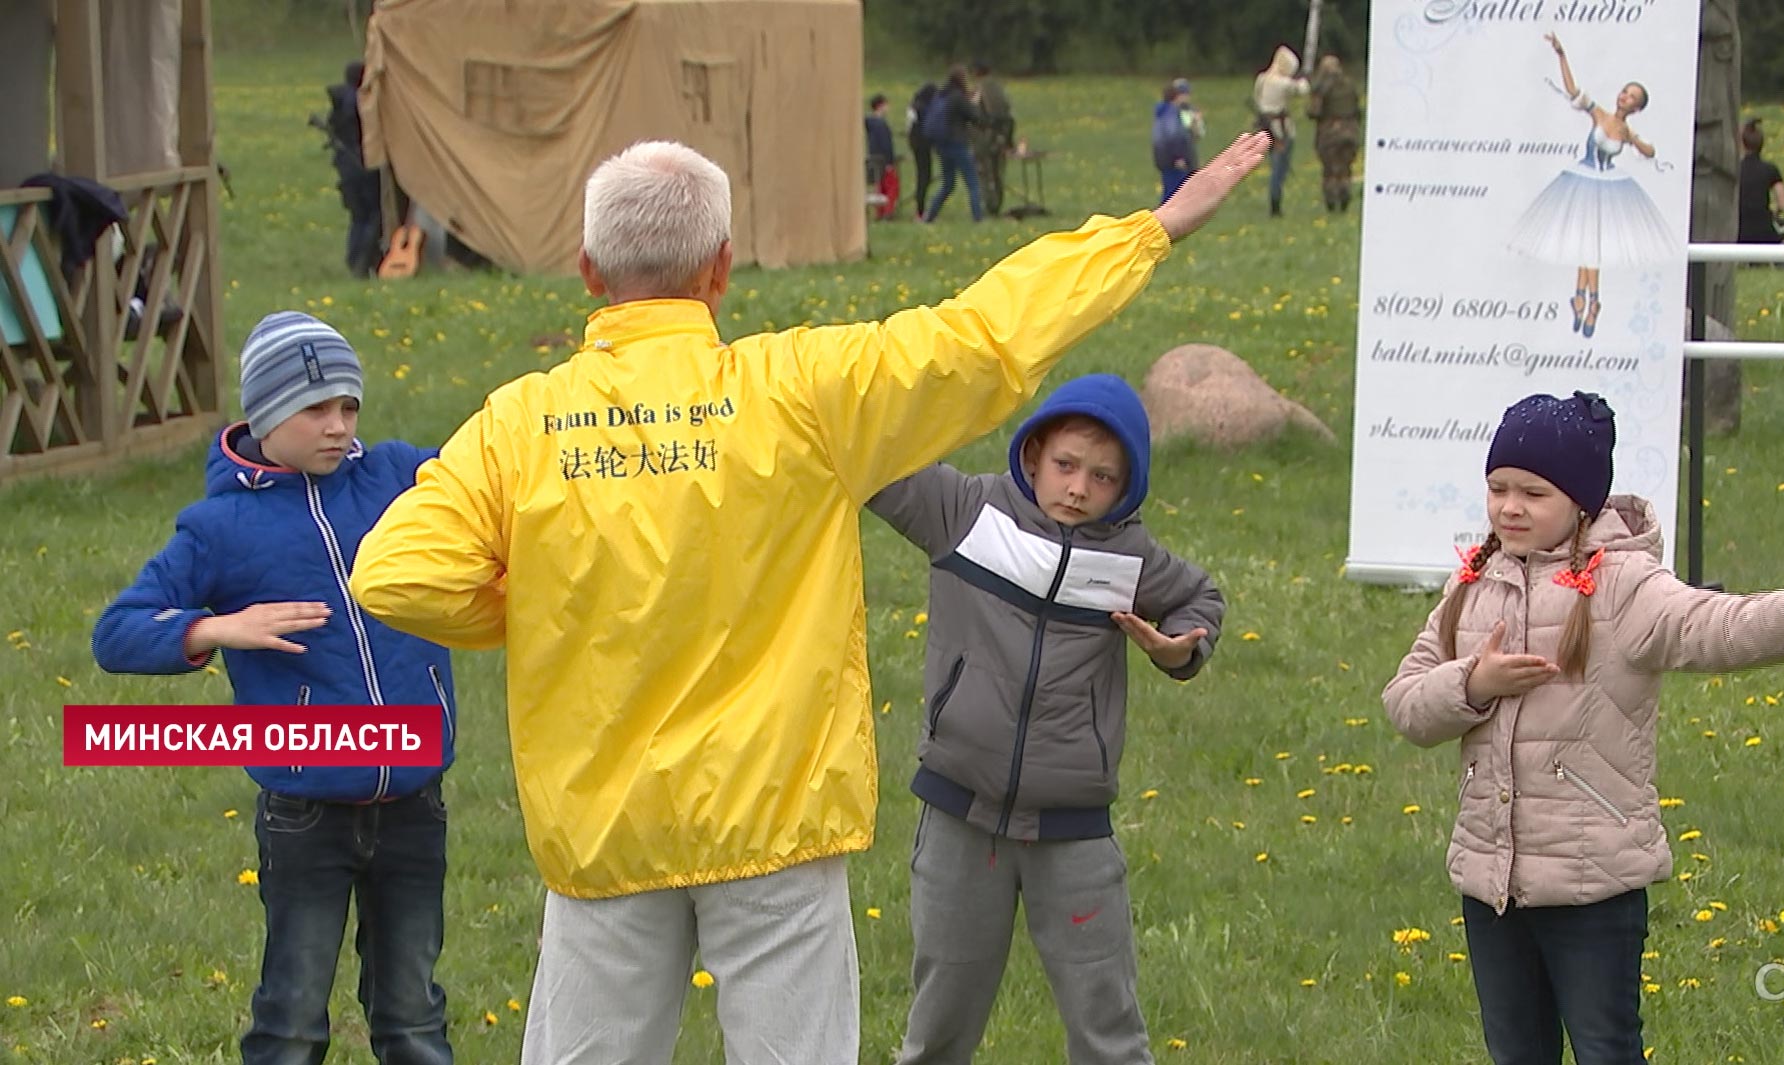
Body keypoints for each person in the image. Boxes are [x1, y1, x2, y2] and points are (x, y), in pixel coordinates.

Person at [347, 133, 1272, 1065]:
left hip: (604, 829)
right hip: (775, 820)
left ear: (588, 269)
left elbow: (394, 572)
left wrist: (543, 600)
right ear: (722, 269)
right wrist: (1147, 232)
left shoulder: (521, 423)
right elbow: (984, 335)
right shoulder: (801, 390)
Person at [1383, 391, 1784, 1065]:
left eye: (1533, 492)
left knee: (1606, 1049)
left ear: (1582, 501)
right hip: (1491, 883)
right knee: (1515, 1050)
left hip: (1594, 885)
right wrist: (1474, 684)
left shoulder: (1626, 585)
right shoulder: (1472, 585)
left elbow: (1710, 624)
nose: (1510, 506)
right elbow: (1406, 703)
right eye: (1498, 487)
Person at [91, 311, 458, 1065]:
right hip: (304, 816)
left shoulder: (396, 476)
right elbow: (116, 631)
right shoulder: (218, 528)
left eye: (348, 406)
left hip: (416, 805)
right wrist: (218, 628)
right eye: (315, 408)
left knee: (414, 1015)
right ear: (264, 413)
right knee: (291, 1018)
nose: (337, 425)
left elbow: (498, 473)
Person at [869, 374, 1224, 1065]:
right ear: (1032, 454)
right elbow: (874, 464)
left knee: (1109, 1030)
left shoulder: (1129, 558)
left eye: (1103, 476)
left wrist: (1182, 646)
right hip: (957, 817)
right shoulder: (965, 513)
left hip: (1074, 832)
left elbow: (1199, 598)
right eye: (1065, 464)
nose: (1078, 487)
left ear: (1126, 487)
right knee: (939, 1026)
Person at [1508, 33, 1674, 339]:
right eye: (1625, 92)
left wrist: (1632, 136)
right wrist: (1561, 54)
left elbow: (1650, 152)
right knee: (1586, 245)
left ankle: (1586, 299)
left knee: (1591, 246)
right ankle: (1587, 300)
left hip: (1606, 186)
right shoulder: (1600, 114)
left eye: (1631, 98)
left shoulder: (1625, 131)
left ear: (1636, 108)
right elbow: (1573, 90)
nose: (1624, 98)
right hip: (1583, 180)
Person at [323, 61, 383, 278]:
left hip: (346, 167)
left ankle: (354, 259)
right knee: (373, 215)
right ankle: (363, 261)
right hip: (363, 166)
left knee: (358, 217)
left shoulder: (339, 104)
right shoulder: (361, 103)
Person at [923, 66, 986, 223]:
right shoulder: (958, 97)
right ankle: (978, 218)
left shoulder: (941, 95)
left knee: (948, 184)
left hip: (941, 144)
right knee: (973, 182)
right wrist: (975, 102)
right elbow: (975, 116)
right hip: (957, 144)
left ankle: (930, 216)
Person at [1252, 45, 1309, 217]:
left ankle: (1275, 201)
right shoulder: (1282, 83)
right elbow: (1302, 90)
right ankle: (1275, 204)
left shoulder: (1262, 78)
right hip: (1279, 130)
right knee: (1279, 168)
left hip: (1265, 125)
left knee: (1277, 166)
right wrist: (1305, 78)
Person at [1307, 55, 1361, 214]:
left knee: (1330, 170)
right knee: (1345, 168)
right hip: (1350, 130)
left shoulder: (1322, 88)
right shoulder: (1350, 85)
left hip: (1329, 132)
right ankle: (1345, 199)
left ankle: (1331, 204)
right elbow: (1357, 109)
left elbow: (1314, 112)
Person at [1736, 118, 1784, 244]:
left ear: (1742, 144)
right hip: (1764, 230)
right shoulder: (1770, 169)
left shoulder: (1735, 170)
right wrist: (1775, 214)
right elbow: (1783, 204)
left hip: (1739, 230)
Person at [971, 62, 1015, 215]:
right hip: (1001, 135)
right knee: (997, 173)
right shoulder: (998, 88)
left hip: (985, 137)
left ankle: (989, 206)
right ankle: (997, 203)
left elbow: (975, 113)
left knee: (983, 172)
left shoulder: (980, 89)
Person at [1151, 83, 1197, 205]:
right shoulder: (1170, 113)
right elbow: (1173, 136)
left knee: (1171, 192)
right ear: (1176, 97)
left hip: (1164, 159)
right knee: (1175, 196)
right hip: (1174, 161)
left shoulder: (1162, 113)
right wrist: (1179, 157)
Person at [908, 81, 939, 220]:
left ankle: (920, 209)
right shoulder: (926, 108)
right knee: (924, 176)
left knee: (923, 176)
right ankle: (920, 210)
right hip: (924, 145)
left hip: (915, 143)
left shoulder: (914, 106)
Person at [866, 93, 900, 221]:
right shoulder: (881, 125)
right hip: (884, 161)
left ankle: (879, 212)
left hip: (874, 160)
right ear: (880, 106)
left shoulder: (871, 124)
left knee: (880, 187)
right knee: (892, 187)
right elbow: (886, 145)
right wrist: (890, 162)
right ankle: (888, 211)